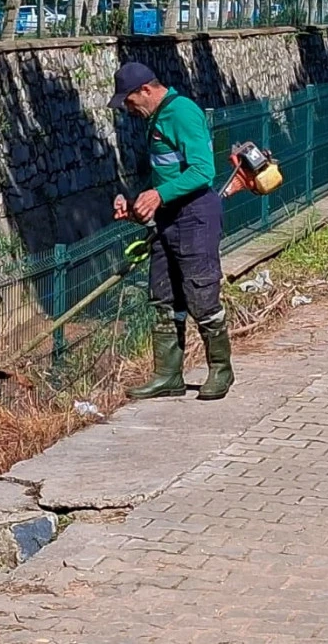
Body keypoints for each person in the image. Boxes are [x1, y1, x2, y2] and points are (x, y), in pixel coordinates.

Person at [108, 62, 236, 401]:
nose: (128, 109)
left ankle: (221, 369)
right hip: (168, 219)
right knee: (163, 296)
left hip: (195, 216)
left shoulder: (181, 113)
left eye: (130, 101)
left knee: (200, 294)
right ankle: (168, 376)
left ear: (146, 90)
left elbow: (203, 171)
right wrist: (139, 204)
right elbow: (166, 174)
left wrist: (160, 195)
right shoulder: (155, 118)